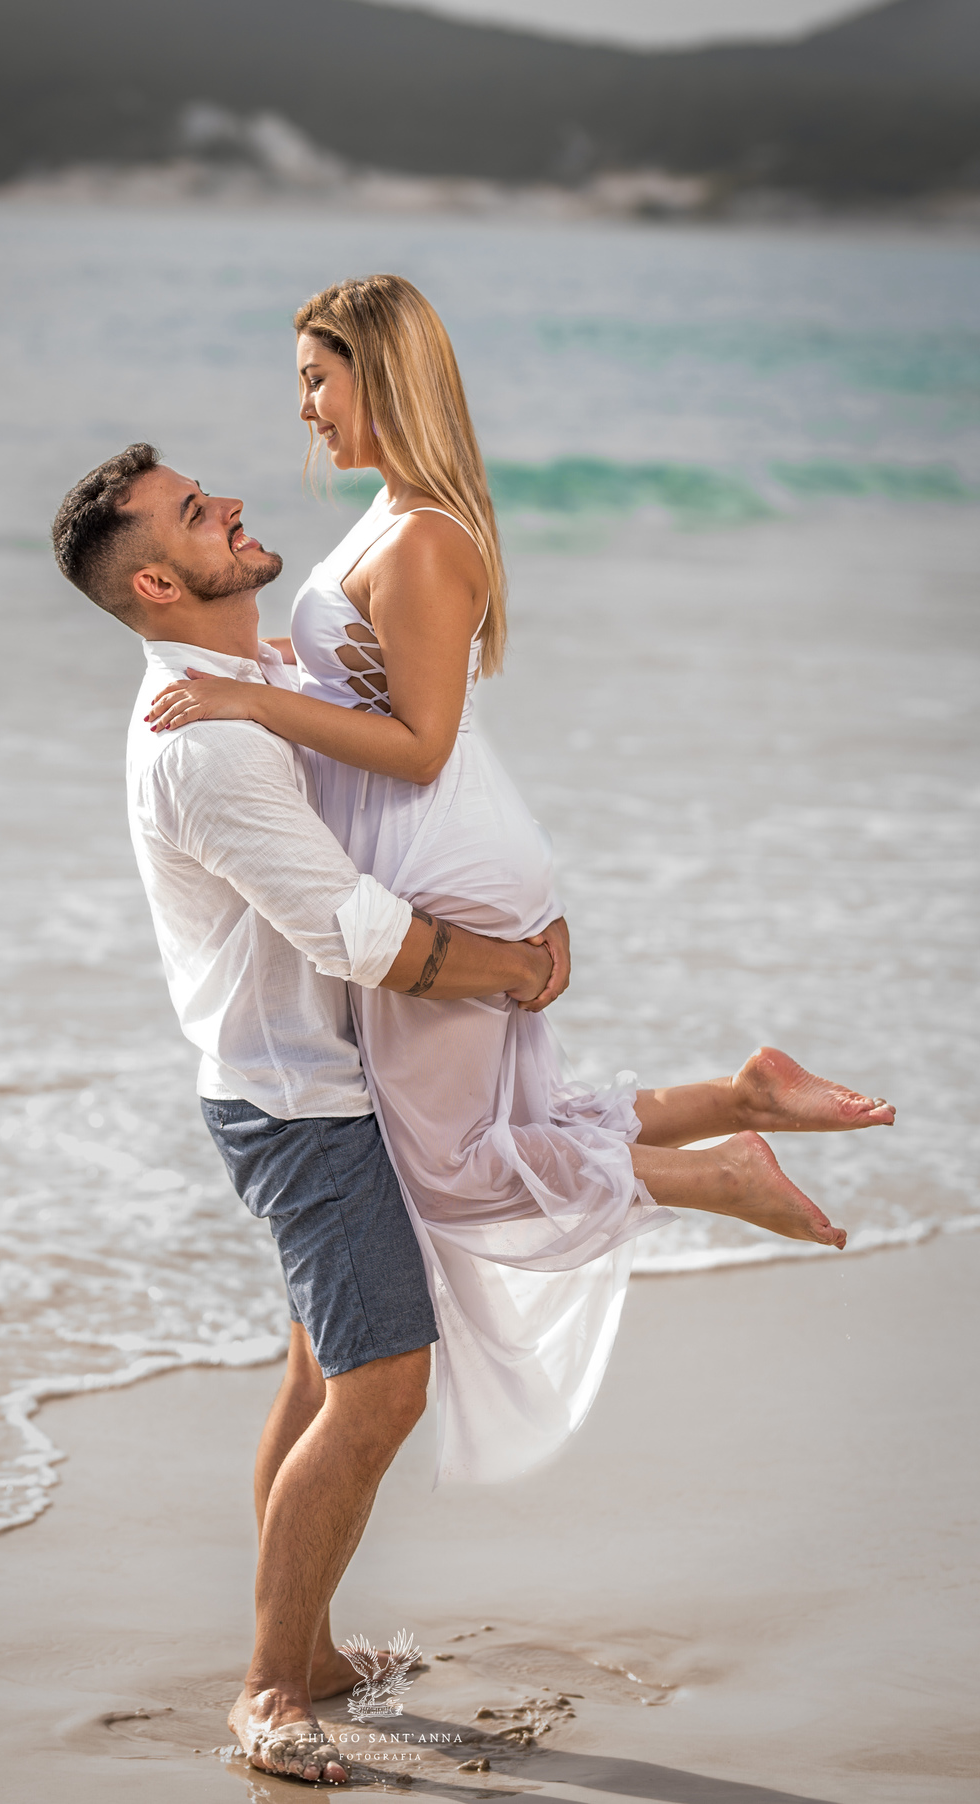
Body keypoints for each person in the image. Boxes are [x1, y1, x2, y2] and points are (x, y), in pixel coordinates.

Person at [52, 440, 893, 1787]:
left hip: (339, 1076)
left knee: (326, 1369)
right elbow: (356, 933)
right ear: (158, 579)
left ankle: (309, 1652)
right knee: (381, 1384)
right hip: (303, 1104)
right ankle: (271, 1687)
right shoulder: (204, 742)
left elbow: (408, 762)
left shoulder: (258, 674)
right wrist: (516, 969)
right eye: (200, 516)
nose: (235, 505)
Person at [144, 274, 896, 1491]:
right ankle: (742, 1092)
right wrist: (271, 670)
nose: (303, 409)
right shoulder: (393, 514)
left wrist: (249, 696)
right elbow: (364, 687)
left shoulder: (430, 534)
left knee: (454, 1168)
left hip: (440, 860)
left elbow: (422, 742)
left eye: (316, 380)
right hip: (429, 853)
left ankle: (720, 1168)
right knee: (490, 1138)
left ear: (378, 376)